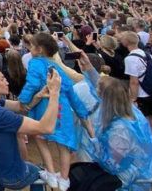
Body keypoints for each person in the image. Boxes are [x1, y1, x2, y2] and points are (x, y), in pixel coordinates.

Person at [18, 33, 90, 190]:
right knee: (63, 144)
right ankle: (64, 178)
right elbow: (71, 92)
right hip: (63, 109)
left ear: (40, 49)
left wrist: (22, 100)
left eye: (32, 46)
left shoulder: (35, 63)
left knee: (40, 137)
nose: (29, 48)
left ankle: (50, 172)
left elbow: (31, 84)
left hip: (44, 107)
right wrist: (82, 113)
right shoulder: (58, 67)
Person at [0, 65, 61, 191]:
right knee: (40, 174)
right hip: (10, 175)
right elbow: (46, 128)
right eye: (2, 79)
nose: (7, 82)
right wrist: (55, 93)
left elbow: (19, 107)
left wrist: (38, 96)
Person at [82, 77, 152, 190]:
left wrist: (92, 136)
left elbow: (112, 165)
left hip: (126, 183)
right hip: (136, 177)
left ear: (107, 101)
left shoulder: (120, 130)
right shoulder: (134, 114)